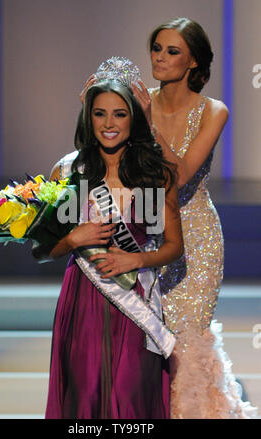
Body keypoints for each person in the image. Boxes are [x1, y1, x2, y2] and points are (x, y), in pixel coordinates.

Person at [128, 17, 257, 418]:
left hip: (194, 239)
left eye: (172, 51)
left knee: (187, 344)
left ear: (194, 63)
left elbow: (180, 174)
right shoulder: (134, 102)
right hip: (144, 230)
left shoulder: (212, 111)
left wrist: (146, 122)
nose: (160, 58)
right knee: (144, 342)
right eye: (157, 48)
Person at [44, 67, 184, 418]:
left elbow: (173, 246)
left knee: (131, 392)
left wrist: (135, 261)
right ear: (88, 118)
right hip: (82, 300)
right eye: (99, 113)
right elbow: (43, 249)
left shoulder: (153, 174)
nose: (109, 123)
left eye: (120, 114)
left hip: (134, 297)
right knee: (85, 392)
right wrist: (74, 237)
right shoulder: (68, 173)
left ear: (133, 119)